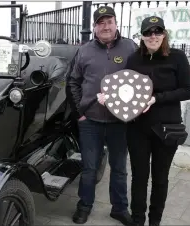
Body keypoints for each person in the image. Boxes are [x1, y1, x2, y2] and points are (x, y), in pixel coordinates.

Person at [100, 16, 190, 226]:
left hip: (166, 127)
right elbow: (125, 88)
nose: (153, 36)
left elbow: (188, 90)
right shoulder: (134, 59)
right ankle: (137, 220)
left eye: (157, 31)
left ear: (164, 34)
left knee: (160, 179)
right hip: (138, 128)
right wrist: (109, 97)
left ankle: (154, 221)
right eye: (148, 33)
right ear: (142, 36)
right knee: (139, 178)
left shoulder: (177, 57)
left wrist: (156, 98)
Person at [68, 5, 137, 225]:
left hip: (121, 121)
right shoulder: (84, 50)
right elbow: (73, 81)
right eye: (101, 23)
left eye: (109, 22)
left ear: (116, 24)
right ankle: (84, 205)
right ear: (94, 27)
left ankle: (119, 208)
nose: (105, 26)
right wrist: (81, 111)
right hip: (90, 121)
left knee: (119, 168)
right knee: (89, 168)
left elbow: (141, 79)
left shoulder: (130, 47)